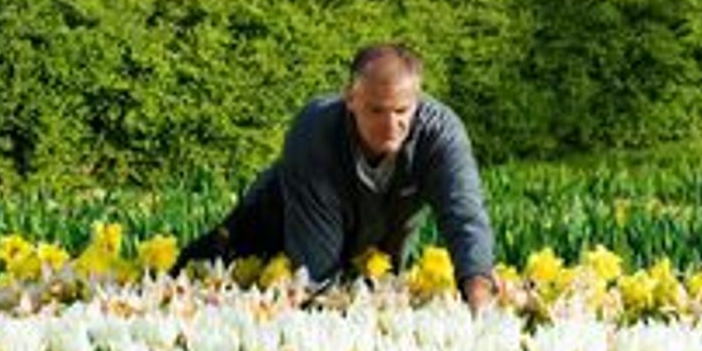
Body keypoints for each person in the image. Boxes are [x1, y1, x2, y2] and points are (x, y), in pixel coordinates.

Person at [176, 43, 497, 310]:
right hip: (270, 229)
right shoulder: (315, 129)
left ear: (418, 100)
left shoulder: (442, 134)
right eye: (376, 111)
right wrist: (322, 299)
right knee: (198, 276)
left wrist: (478, 298)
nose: (390, 125)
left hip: (377, 243)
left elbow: (464, 215)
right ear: (351, 99)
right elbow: (314, 266)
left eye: (401, 111)